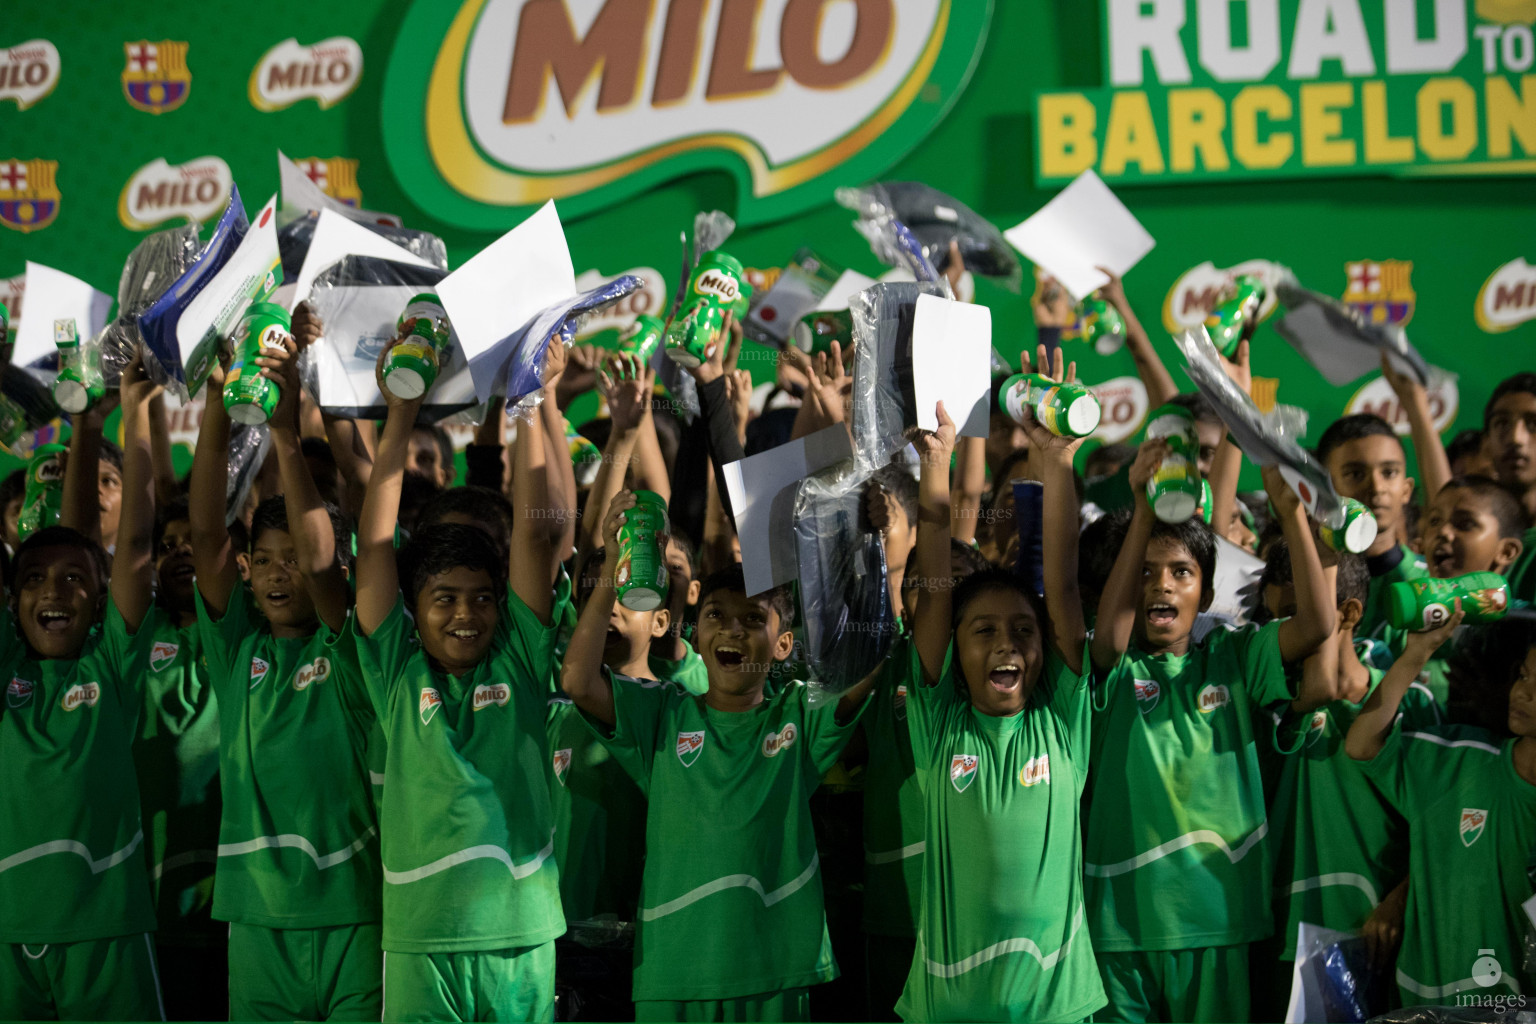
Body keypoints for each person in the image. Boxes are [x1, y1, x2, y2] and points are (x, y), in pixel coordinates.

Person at [561, 489, 882, 1022]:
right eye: (716, 615)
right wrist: (613, 573)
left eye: (754, 619)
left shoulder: (797, 716)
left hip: (774, 967)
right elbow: (577, 678)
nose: (733, 628)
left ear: (784, 646)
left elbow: (868, 658)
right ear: (694, 629)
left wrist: (864, 547)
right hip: (671, 972)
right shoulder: (662, 715)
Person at [351, 342, 568, 1022]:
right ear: (413, 611)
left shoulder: (521, 660)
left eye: (480, 597)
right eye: (444, 598)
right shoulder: (394, 668)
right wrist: (401, 413)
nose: (465, 614)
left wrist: (530, 403)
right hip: (421, 937)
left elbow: (536, 538)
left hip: (522, 932)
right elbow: (376, 540)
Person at [1084, 445, 1336, 1023]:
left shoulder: (1232, 657)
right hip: (1119, 930)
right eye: (1144, 573)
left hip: (1218, 922)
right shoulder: (1109, 669)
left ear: (1206, 590)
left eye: (1181, 573)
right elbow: (1107, 638)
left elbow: (1319, 625)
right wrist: (1142, 511)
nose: (1162, 586)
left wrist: (1291, 514)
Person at [896, 353, 1109, 1022]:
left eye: (1022, 629)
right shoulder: (939, 728)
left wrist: (1057, 460)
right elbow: (932, 589)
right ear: (953, 651)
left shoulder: (1063, 723)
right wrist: (937, 467)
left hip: (1056, 1007)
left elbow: (1066, 586)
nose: (1006, 643)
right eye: (982, 630)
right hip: (948, 1009)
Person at [190, 339, 381, 1021]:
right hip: (257, 919)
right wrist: (216, 402)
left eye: (291, 559)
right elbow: (207, 530)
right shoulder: (236, 649)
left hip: (354, 914)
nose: (279, 573)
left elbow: (326, 567)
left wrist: (285, 435)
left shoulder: (351, 647)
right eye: (263, 561)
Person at [0, 357, 162, 1020]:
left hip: (107, 930)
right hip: (8, 936)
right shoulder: (5, 664)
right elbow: (64, 552)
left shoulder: (111, 664)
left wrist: (94, 423)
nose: (54, 592)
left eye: (74, 582)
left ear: (100, 600)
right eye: (34, 581)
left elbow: (126, 542)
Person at [1254, 545, 1440, 1016]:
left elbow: (1439, 822)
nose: (1285, 633)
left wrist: (1400, 900)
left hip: (1369, 935)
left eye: (1297, 615)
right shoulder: (1268, 701)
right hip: (1278, 935)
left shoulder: (1411, 704)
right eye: (1274, 618)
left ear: (1349, 613)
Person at [1347, 613, 1536, 1003]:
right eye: (1524, 674)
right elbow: (1362, 745)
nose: (1525, 691)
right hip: (1429, 1005)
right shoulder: (1459, 761)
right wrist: (1415, 656)